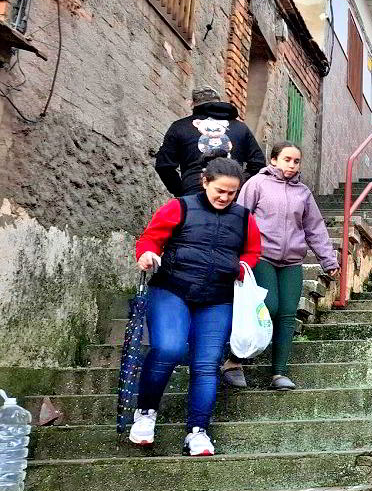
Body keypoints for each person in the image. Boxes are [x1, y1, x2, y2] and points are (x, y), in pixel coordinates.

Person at [128, 158, 260, 456]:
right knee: (169, 348)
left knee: (206, 364)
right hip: (172, 290)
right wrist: (147, 254)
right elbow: (151, 239)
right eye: (220, 190)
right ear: (205, 182)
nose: (225, 197)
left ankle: (197, 432)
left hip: (218, 298)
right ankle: (146, 413)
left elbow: (252, 252)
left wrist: (242, 266)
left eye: (231, 193)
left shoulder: (244, 218)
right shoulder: (179, 207)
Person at [221, 142, 338, 391]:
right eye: (287, 159)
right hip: (261, 256)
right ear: (273, 160)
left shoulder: (303, 193)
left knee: (287, 313)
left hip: (292, 260)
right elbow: (238, 217)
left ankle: (279, 374)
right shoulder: (256, 184)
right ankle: (235, 360)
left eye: (296, 161)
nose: (292, 165)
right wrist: (231, 252)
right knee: (268, 307)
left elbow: (315, 229)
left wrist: (328, 260)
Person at [155, 87, 266, 196]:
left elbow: (164, 166)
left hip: (193, 194)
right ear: (219, 102)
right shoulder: (241, 128)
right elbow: (258, 164)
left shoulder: (180, 126)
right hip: (229, 196)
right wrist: (237, 184)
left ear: (194, 105)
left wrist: (181, 190)